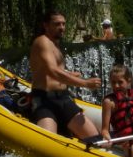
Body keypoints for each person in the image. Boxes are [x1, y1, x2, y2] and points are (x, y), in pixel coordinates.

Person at [28, 10, 102, 139]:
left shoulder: (56, 44)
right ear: (46, 25)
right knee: (48, 142)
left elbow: (50, 70)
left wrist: (70, 75)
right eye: (57, 24)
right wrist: (84, 83)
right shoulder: (42, 42)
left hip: (63, 98)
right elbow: (53, 71)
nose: (62, 28)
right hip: (44, 100)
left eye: (63, 24)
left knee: (95, 139)